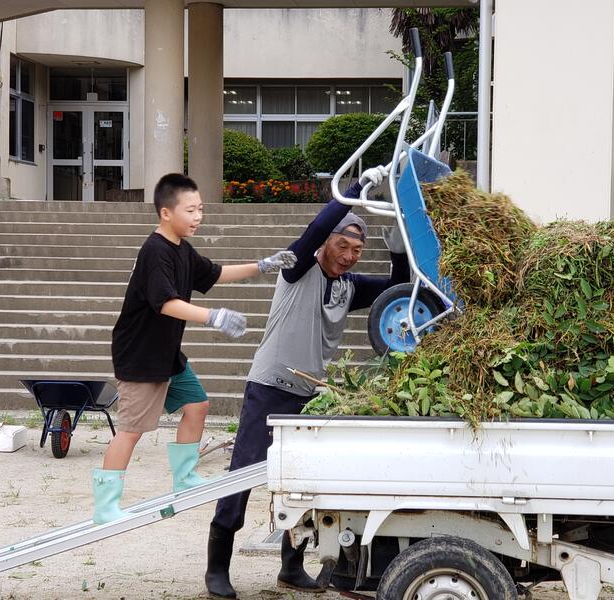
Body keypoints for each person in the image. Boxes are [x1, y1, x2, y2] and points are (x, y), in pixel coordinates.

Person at [205, 165, 410, 598]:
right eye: (342, 245)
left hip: (308, 395)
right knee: (243, 475)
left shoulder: (349, 286)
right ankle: (217, 568)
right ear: (325, 244)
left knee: (301, 481)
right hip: (269, 388)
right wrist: (356, 189)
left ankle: (291, 566)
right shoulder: (297, 267)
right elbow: (315, 226)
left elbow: (397, 288)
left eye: (357, 249)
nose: (349, 255)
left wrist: (397, 244)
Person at [92, 173, 297, 525]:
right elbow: (165, 303)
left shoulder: (182, 249)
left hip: (167, 353)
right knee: (131, 430)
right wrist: (213, 316)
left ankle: (184, 477)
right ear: (165, 213)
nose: (198, 216)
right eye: (190, 210)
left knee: (197, 405)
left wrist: (263, 266)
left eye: (200, 209)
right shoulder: (155, 251)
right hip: (140, 355)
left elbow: (214, 274)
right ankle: (105, 507)